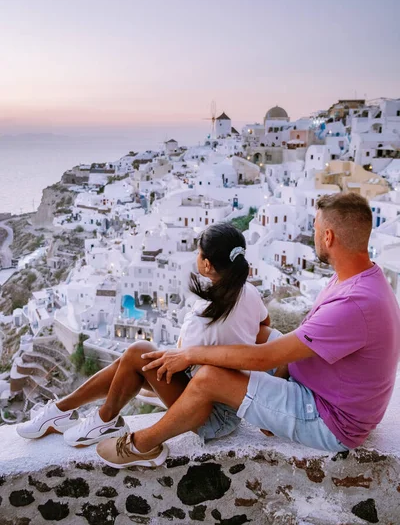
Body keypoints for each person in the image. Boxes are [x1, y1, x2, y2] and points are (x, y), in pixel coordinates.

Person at [96, 192, 400, 469]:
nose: (314, 236)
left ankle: (141, 446)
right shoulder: (356, 280)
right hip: (324, 394)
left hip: (329, 420)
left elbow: (262, 359)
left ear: (329, 236)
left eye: (317, 229)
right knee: (270, 335)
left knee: (210, 376)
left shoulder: (354, 302)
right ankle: (267, 414)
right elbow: (277, 341)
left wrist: (190, 354)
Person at [17, 223, 275, 463]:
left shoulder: (204, 315)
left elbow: (180, 365)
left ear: (207, 264)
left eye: (198, 253)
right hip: (230, 403)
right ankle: (66, 412)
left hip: (210, 415)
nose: (195, 257)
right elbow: (265, 326)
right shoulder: (250, 293)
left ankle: (99, 418)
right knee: (133, 358)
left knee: (138, 354)